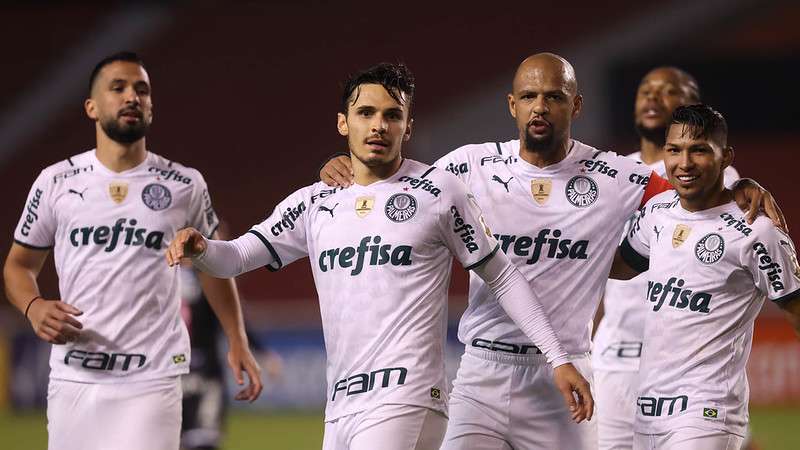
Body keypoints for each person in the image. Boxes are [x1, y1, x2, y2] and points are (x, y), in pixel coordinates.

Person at [318, 53, 782, 449]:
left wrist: (739, 186)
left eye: (554, 97)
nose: (540, 107)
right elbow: (397, 189)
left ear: (575, 105)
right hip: (482, 372)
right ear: (512, 105)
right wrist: (345, 165)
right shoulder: (469, 166)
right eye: (529, 96)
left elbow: (695, 192)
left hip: (564, 378)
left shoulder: (615, 177)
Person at [166, 62, 594, 450]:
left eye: (392, 115)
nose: (379, 125)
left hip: (407, 396)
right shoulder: (314, 202)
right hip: (341, 405)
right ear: (343, 122)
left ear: (407, 127)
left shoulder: (439, 192)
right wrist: (202, 249)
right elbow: (237, 256)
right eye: (366, 113)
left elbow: (502, 275)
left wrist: (558, 357)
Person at [2, 51, 262, 450]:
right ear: (91, 107)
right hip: (75, 377)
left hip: (152, 377)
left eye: (142, 89)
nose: (132, 97)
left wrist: (237, 338)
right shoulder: (55, 182)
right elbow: (18, 266)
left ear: (151, 106)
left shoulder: (185, 184)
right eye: (118, 87)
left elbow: (214, 266)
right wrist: (33, 306)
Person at [610, 104, 800, 450]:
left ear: (725, 157)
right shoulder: (657, 212)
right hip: (648, 411)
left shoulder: (757, 231)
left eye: (699, 150)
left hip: (707, 411)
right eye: (674, 150)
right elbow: (617, 267)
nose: (684, 163)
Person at [592, 67, 741, 450]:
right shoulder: (613, 173)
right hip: (613, 357)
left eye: (670, 91)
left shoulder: (707, 175)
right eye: (645, 90)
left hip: (683, 366)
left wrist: (749, 186)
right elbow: (602, 267)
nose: (653, 97)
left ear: (693, 107)